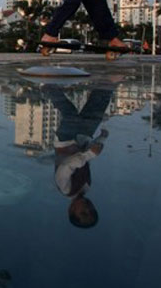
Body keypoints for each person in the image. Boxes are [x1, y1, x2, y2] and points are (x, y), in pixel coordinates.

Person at [44, 85, 113, 228]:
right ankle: (106, 83)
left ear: (71, 210)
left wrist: (90, 154)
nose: (88, 208)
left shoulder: (65, 188)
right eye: (92, 211)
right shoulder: (86, 186)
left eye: (84, 213)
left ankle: (48, 87)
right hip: (83, 138)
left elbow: (67, 165)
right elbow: (85, 157)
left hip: (66, 141)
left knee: (71, 115)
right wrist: (101, 139)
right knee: (96, 110)